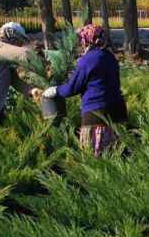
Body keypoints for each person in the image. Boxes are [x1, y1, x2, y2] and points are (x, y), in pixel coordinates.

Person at [42, 24, 127, 156]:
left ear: (87, 40)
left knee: (95, 162)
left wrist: (55, 90)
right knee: (114, 161)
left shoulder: (87, 60)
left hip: (95, 117)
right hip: (116, 115)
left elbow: (71, 88)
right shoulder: (110, 58)